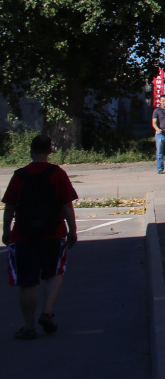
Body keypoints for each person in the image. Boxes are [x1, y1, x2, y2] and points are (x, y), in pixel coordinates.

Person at [3, 133, 78, 340]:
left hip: (23, 235)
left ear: (31, 150)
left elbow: (9, 207)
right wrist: (72, 230)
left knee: (27, 282)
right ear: (50, 151)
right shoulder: (58, 173)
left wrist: (6, 230)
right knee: (54, 273)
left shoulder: (19, 175)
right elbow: (66, 204)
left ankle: (28, 327)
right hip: (53, 233)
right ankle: (47, 311)